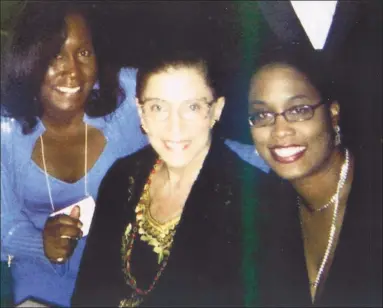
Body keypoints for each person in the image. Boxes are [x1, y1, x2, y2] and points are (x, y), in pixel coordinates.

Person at [71, 50, 272, 307]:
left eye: (192, 107)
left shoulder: (254, 201)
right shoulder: (122, 177)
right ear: (141, 113)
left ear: (216, 110)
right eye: (158, 107)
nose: (175, 127)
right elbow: (88, 290)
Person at [0, 2, 148, 306]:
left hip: (122, 258)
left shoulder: (128, 97)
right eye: (55, 55)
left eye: (83, 53)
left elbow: (195, 131)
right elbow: (5, 223)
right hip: (40, 270)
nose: (72, 71)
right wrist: (41, 244)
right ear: (28, 61)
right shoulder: (5, 129)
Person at [247, 46, 382, 306]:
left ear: (333, 114)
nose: (280, 131)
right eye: (262, 115)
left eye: (298, 110)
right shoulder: (268, 210)